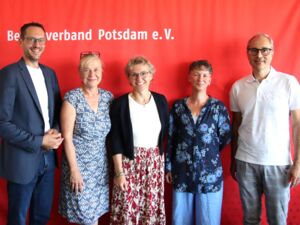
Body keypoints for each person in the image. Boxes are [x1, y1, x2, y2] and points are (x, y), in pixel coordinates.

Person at [230, 33, 300, 225]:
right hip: (246, 162)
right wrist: (233, 159)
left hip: (278, 164)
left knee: (277, 220)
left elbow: (297, 125)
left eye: (264, 50)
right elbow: (236, 125)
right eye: (254, 50)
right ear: (247, 53)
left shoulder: (289, 83)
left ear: (272, 53)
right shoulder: (238, 87)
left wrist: (298, 164)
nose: (259, 55)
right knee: (250, 219)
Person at [0, 22, 63, 224]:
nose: (37, 44)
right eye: (31, 39)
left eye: (41, 40)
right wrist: (38, 141)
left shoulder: (49, 74)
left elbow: (58, 111)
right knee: (18, 218)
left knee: (42, 216)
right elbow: (2, 122)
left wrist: (55, 133)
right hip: (22, 160)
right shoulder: (9, 74)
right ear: (20, 41)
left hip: (48, 159)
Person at [165, 60, 231, 225]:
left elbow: (225, 137)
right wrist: (169, 166)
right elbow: (171, 138)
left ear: (210, 80)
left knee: (208, 220)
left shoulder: (218, 108)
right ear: (189, 77)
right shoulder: (178, 107)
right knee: (180, 220)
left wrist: (206, 151)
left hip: (209, 174)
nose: (200, 78)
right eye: (196, 74)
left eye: (204, 75)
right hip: (181, 172)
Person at [109, 56, 168, 225]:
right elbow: (115, 140)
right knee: (128, 209)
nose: (139, 78)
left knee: (150, 209)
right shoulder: (120, 104)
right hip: (129, 164)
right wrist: (119, 173)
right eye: (134, 74)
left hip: (154, 165)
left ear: (151, 75)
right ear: (128, 78)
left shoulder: (161, 101)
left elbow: (165, 135)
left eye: (144, 73)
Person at [58, 52, 113, 225]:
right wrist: (74, 170)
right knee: (85, 217)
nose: (92, 74)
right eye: (86, 70)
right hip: (79, 166)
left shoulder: (108, 98)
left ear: (102, 72)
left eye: (96, 69)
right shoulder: (72, 98)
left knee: (94, 215)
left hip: (100, 167)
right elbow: (66, 138)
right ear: (80, 73)